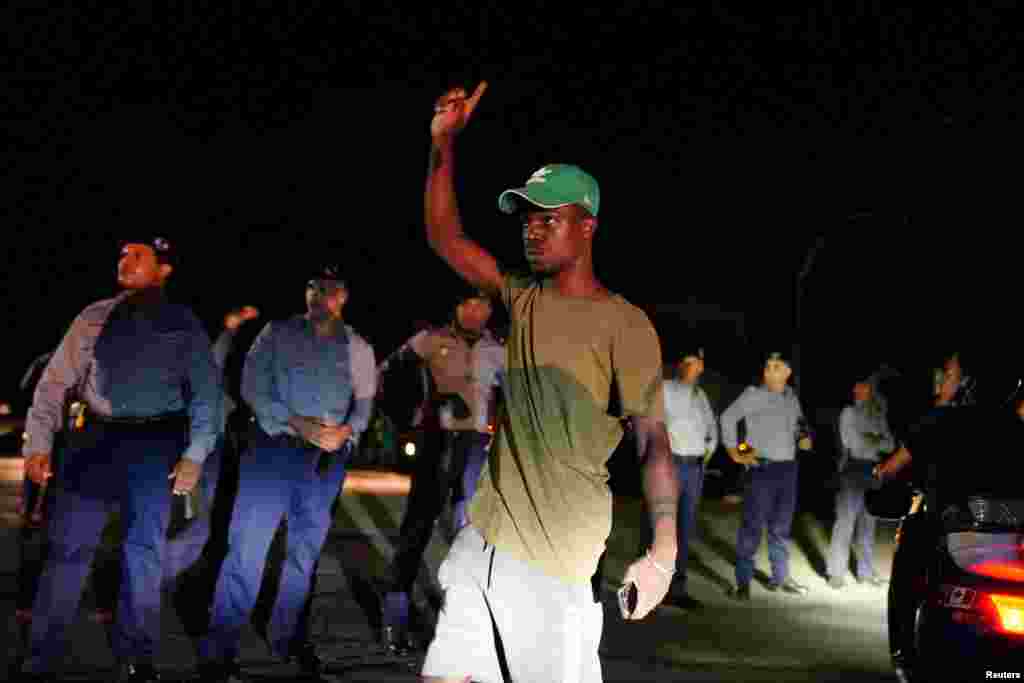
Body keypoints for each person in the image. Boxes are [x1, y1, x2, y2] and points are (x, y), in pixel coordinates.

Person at [420, 82, 678, 683]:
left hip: (553, 563)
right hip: (482, 542)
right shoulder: (523, 299)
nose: (532, 231)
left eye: (549, 220)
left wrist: (662, 552)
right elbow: (445, 238)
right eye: (528, 220)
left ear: (587, 227)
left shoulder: (625, 324)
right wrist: (443, 145)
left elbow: (653, 442)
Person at [18, 236, 222, 683]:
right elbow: (53, 383)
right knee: (68, 549)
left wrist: (195, 454)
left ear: (164, 269)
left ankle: (139, 655)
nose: (125, 261)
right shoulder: (94, 315)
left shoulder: (183, 323)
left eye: (138, 256)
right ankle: (42, 657)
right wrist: (37, 442)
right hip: (94, 441)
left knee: (143, 551)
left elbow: (208, 395)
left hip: (154, 444)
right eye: (123, 254)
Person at [198, 267, 376, 682]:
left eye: (329, 290)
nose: (319, 296)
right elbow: (251, 387)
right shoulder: (276, 333)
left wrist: (348, 431)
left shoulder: (357, 346)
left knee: (304, 554)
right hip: (273, 452)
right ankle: (219, 650)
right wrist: (299, 424)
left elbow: (365, 403)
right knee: (247, 548)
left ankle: (287, 638)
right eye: (313, 288)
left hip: (324, 462)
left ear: (343, 296)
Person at [378, 291, 505, 652]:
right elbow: (386, 375)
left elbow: (518, 393)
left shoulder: (498, 350)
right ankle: (395, 617)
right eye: (468, 303)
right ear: (456, 306)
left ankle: (464, 620)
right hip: (436, 442)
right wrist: (409, 416)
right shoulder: (430, 340)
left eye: (483, 305)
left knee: (474, 535)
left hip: (477, 447)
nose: (475, 311)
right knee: (417, 528)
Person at [720, 351, 813, 601]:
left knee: (781, 528)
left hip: (788, 469)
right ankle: (743, 583)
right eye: (767, 366)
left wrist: (804, 437)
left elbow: (800, 424)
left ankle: (780, 578)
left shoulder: (791, 398)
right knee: (752, 528)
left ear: (787, 373)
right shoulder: (754, 395)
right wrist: (738, 452)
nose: (769, 371)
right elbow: (728, 419)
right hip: (761, 469)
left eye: (776, 367)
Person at [825, 374, 894, 589]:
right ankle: (835, 573)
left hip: (873, 471)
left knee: (868, 525)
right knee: (844, 522)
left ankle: (865, 573)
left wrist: (870, 438)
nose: (857, 390)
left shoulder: (878, 415)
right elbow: (851, 441)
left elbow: (890, 445)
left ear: (870, 389)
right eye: (855, 387)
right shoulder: (848, 412)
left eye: (862, 386)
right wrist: (874, 438)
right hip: (852, 469)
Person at [662, 345, 717, 609]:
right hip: (670, 466)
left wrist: (707, 451)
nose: (696, 368)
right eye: (691, 362)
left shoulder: (700, 395)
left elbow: (711, 429)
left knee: (685, 529)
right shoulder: (665, 389)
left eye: (698, 363)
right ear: (681, 364)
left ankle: (678, 589)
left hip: (695, 469)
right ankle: (649, 589)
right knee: (660, 528)